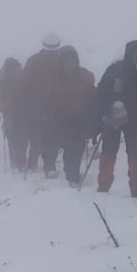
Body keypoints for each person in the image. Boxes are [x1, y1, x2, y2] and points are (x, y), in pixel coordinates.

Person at [96, 41, 137, 196]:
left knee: (117, 150)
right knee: (128, 151)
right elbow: (102, 92)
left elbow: (101, 92)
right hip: (127, 115)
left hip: (118, 114)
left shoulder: (118, 69)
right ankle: (136, 187)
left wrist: (107, 107)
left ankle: (105, 186)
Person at [46, 46, 96, 184]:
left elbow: (91, 94)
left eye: (72, 60)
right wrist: (50, 115)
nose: (70, 63)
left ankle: (73, 172)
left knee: (79, 146)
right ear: (61, 62)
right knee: (68, 147)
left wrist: (92, 113)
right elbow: (50, 98)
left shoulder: (84, 76)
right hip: (62, 118)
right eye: (66, 60)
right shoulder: (55, 79)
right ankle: (71, 173)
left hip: (81, 117)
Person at [21, 33, 67, 177]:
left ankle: (37, 162)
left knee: (40, 135)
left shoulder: (33, 61)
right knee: (50, 136)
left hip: (38, 106)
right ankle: (48, 165)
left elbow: (24, 84)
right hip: (53, 106)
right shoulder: (62, 61)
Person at [0, 58, 27, 171]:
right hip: (22, 110)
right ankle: (22, 161)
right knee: (23, 136)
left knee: (13, 136)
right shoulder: (23, 75)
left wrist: (1, 107)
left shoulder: (1, 79)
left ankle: (15, 161)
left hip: (9, 112)